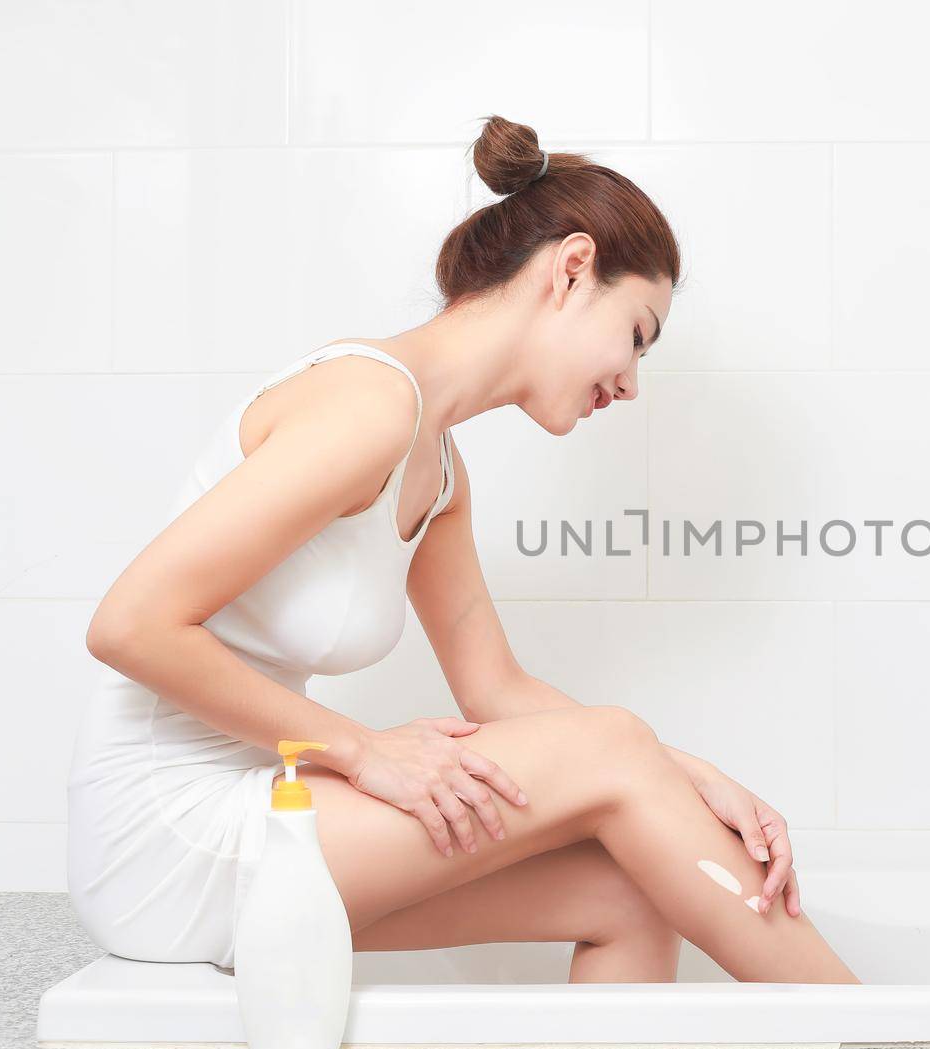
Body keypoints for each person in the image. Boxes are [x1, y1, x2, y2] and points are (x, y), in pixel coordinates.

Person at [67, 113, 859, 984]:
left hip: (277, 818)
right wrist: (362, 749)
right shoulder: (366, 406)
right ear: (572, 267)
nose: (633, 382)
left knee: (630, 897)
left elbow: (495, 688)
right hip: (169, 832)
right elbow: (130, 625)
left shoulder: (437, 465)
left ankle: (859, 1024)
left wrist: (691, 775)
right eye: (637, 334)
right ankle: (878, 1034)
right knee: (613, 744)